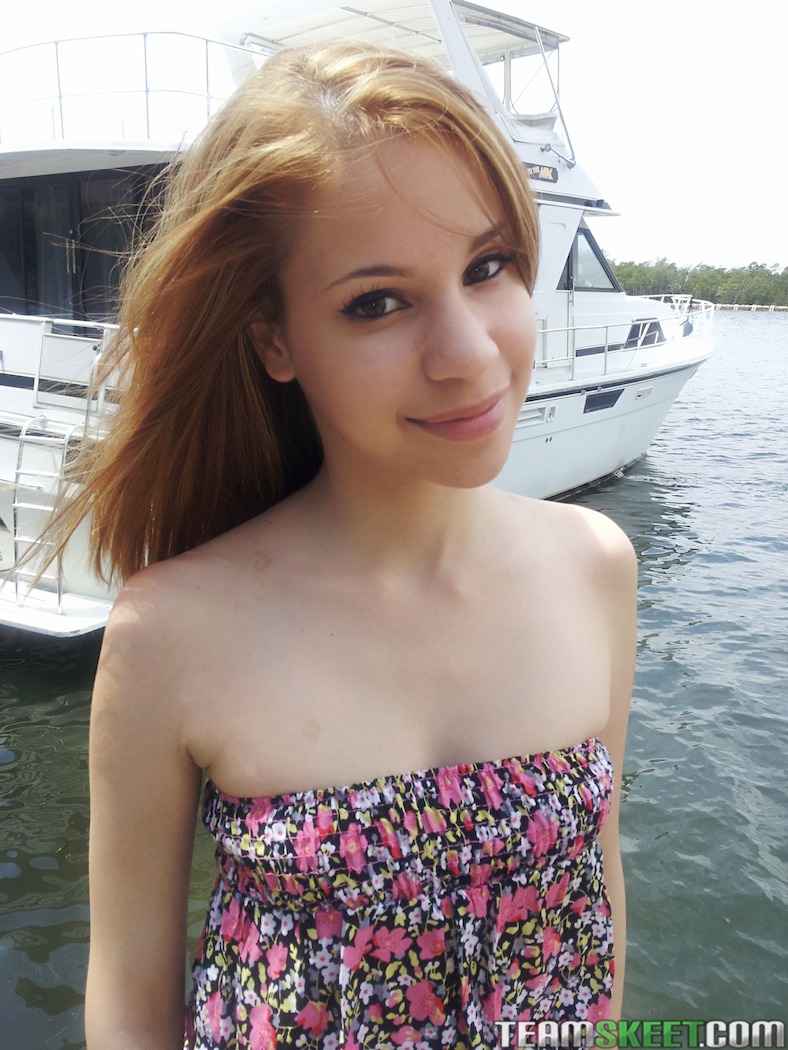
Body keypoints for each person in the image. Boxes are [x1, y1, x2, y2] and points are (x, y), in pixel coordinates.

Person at [73, 40, 636, 1050]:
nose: (468, 354)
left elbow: (599, 883)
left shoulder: (595, 567)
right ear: (274, 339)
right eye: (377, 302)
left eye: (488, 266)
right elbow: (130, 996)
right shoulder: (171, 632)